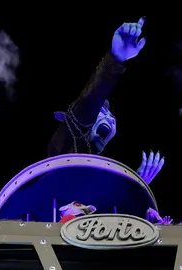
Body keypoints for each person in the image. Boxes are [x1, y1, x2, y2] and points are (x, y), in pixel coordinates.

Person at [47, 17, 165, 185]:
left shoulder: (100, 177)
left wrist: (136, 185)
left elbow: (102, 207)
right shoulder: (65, 141)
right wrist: (115, 59)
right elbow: (89, 102)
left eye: (109, 115)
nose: (108, 117)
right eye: (100, 111)